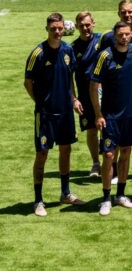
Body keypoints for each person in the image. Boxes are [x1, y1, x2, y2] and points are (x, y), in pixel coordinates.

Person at [24, 13, 85, 216]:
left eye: (60, 28)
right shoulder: (38, 53)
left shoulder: (68, 50)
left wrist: (74, 99)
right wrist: (40, 103)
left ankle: (65, 193)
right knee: (42, 153)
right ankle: (38, 200)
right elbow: (28, 82)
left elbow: (70, 80)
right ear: (47, 29)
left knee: (66, 150)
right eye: (53, 29)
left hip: (66, 112)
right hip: (46, 114)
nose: (57, 32)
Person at [90, 21, 132, 216]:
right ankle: (105, 198)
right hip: (111, 116)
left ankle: (120, 194)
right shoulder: (105, 56)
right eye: (121, 34)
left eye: (127, 34)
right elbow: (93, 86)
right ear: (114, 35)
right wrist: (98, 114)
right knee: (110, 155)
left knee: (126, 153)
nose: (124, 37)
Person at [99, 0, 132, 180]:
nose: (127, 14)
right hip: (116, 92)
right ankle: (112, 168)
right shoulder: (108, 37)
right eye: (123, 12)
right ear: (118, 13)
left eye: (130, 11)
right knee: (113, 130)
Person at [71, 11, 103, 178]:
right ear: (76, 26)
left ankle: (111, 163)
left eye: (88, 24)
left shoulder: (103, 40)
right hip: (84, 95)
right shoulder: (72, 48)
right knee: (91, 130)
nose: (85, 28)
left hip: (106, 92)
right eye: (81, 25)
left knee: (108, 128)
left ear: (93, 24)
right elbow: (69, 77)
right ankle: (96, 163)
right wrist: (74, 99)